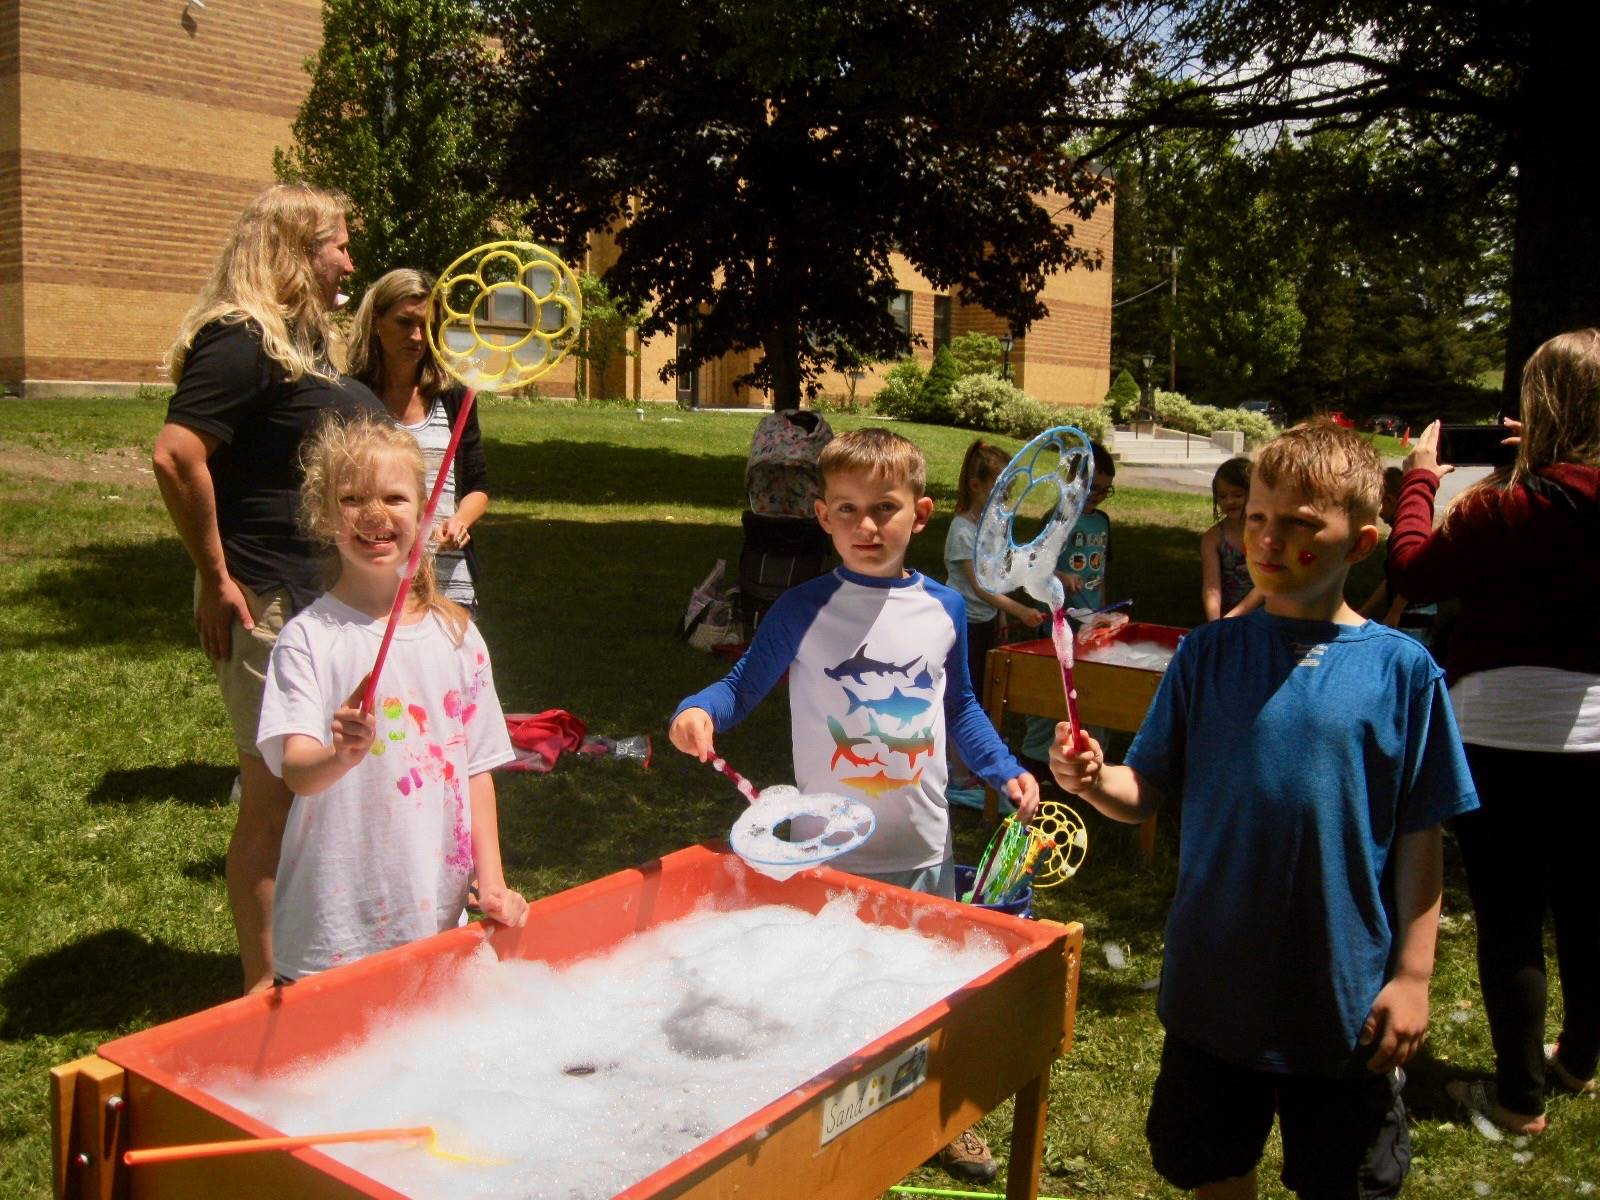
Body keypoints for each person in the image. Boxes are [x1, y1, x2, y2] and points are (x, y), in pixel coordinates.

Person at [1051, 420, 1478, 1199]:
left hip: (1341, 999)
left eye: (1299, 525)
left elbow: (1422, 833)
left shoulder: (1403, 672)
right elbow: (1144, 789)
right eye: (1255, 520)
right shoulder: (1207, 655)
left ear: (1361, 543)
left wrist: (1413, 975)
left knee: (1341, 1178)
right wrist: (1092, 779)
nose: (1269, 541)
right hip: (1215, 993)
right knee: (1212, 1165)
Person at [668, 427, 1040, 1184]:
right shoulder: (803, 608)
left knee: (924, 993)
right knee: (829, 991)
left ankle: (939, 1121)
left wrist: (1003, 769)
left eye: (885, 509)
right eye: (848, 510)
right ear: (821, 515)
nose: (867, 527)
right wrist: (698, 708)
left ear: (922, 513)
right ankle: (828, 1121)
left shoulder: (941, 609)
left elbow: (960, 708)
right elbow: (740, 687)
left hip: (921, 843)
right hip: (827, 853)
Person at [152, 182, 382, 993]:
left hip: (318, 597)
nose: (350, 260)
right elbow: (177, 454)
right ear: (292, 248)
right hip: (267, 600)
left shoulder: (299, 342)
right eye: (338, 244)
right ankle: (265, 987)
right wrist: (216, 577)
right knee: (276, 793)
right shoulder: (242, 337)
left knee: (321, 787)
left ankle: (310, 962)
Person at [1387, 329, 1600, 1134]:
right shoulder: (1536, 496)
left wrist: (1417, 484)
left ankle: (1518, 1099)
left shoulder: (1506, 511)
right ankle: (1578, 1058)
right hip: (1597, 735)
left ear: (1541, 406)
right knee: (1586, 905)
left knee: (1513, 916)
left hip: (1503, 731)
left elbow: (1410, 570)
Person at [257, 416, 525, 981]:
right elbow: (296, 773)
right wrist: (338, 754)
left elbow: (476, 770)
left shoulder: (458, 637)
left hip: (432, 919)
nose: (374, 515)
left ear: (426, 512)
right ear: (325, 517)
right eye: (352, 499)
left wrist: (493, 880)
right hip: (330, 931)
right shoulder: (308, 639)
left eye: (394, 497)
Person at [347, 269, 489, 617]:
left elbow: (478, 487)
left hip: (448, 581)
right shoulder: (352, 398)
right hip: (376, 579)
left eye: (425, 326)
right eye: (403, 322)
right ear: (376, 322)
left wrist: (460, 521)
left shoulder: (454, 396)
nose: (416, 337)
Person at [943, 439, 1047, 781]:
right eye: (1001, 485)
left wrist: (1001, 615)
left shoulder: (992, 526)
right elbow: (979, 587)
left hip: (985, 622)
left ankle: (971, 767)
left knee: (984, 697)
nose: (1008, 492)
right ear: (976, 485)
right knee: (961, 701)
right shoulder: (962, 530)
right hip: (962, 626)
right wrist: (1019, 610)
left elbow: (997, 577)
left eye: (1011, 485)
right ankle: (958, 777)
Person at [1016, 440, 1115, 771]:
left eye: (1105, 491)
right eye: (1093, 489)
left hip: (1090, 618)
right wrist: (1062, 575)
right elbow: (1034, 564)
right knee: (1052, 685)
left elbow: (1102, 572)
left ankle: (1085, 747)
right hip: (1060, 618)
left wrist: (1102, 611)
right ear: (1076, 484)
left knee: (1087, 685)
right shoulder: (1057, 519)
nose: (1098, 497)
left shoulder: (1102, 522)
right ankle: (1039, 755)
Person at [1357, 468, 1436, 645]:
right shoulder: (1401, 533)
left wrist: (1395, 610)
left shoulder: (1402, 539)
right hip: (1413, 613)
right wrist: (1365, 611)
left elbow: (1415, 573)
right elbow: (1391, 580)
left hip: (1413, 616)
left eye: (1380, 504)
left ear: (1389, 500)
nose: (1379, 512)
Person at [1200, 456, 1261, 621]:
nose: (1230, 501)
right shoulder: (1213, 538)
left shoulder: (1265, 533)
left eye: (1237, 495)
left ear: (1254, 492)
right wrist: (1215, 623)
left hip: (1268, 612)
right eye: (1223, 496)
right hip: (1229, 614)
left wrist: (1230, 619)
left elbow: (1265, 586)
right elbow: (1212, 588)